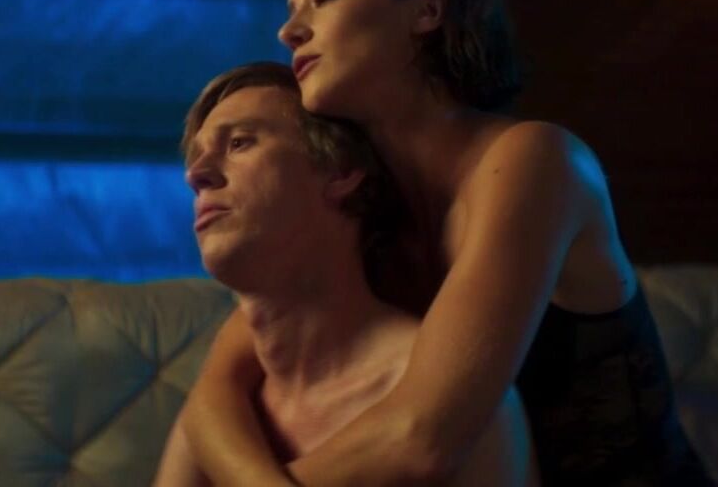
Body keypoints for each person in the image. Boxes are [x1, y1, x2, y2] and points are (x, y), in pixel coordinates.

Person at [180, 0, 712, 485]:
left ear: (427, 10)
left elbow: (421, 439)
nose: (290, 32)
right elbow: (214, 394)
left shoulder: (535, 161)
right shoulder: (360, 201)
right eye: (290, 10)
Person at [153, 62, 537, 487]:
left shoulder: (458, 408)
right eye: (196, 156)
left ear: (340, 171)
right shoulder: (222, 411)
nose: (196, 174)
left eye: (240, 143)